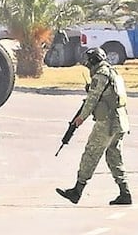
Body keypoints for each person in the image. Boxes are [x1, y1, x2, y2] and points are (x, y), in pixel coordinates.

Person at [56, 47, 132, 205]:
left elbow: (92, 99)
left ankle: (77, 190)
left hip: (107, 122)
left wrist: (80, 118)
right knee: (114, 157)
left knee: (91, 154)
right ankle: (125, 193)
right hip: (120, 122)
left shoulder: (100, 75)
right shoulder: (113, 72)